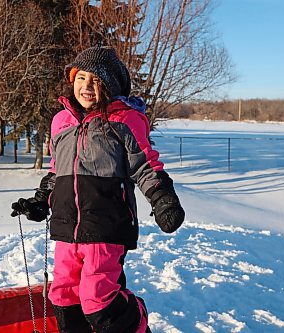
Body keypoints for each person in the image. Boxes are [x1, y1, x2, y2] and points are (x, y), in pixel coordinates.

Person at [11, 46, 185, 333]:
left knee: (97, 300)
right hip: (68, 226)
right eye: (81, 78)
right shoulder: (60, 122)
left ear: (110, 86)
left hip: (106, 225)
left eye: (96, 80)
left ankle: (136, 318)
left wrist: (163, 200)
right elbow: (58, 170)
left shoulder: (125, 121)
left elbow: (145, 166)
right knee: (63, 296)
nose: (86, 86)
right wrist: (41, 202)